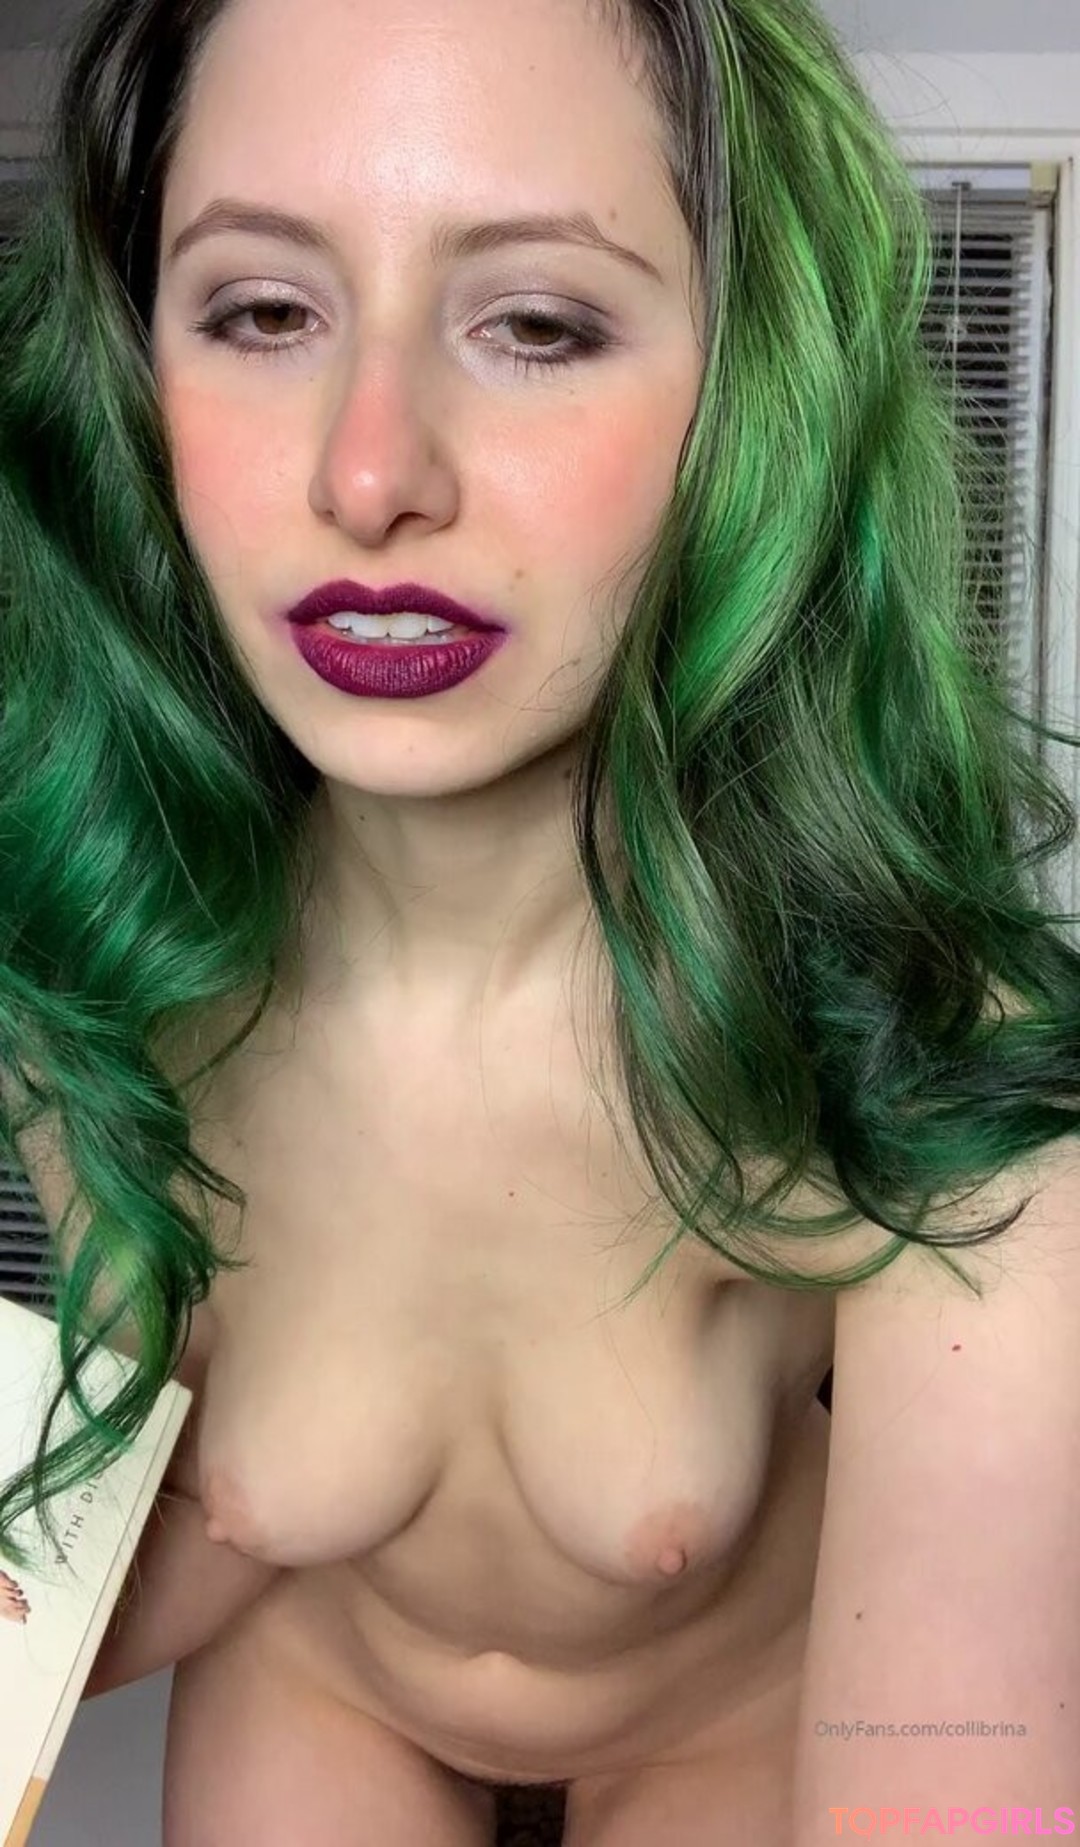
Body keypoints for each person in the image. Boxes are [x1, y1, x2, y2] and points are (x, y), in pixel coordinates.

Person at [1, 0, 1078, 1841]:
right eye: (260, 311)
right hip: (320, 1687)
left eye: (537, 325)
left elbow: (955, 1784)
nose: (366, 476)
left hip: (724, 1725)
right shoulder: (102, 979)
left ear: (753, 396)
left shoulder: (942, 1091)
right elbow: (133, 1536)